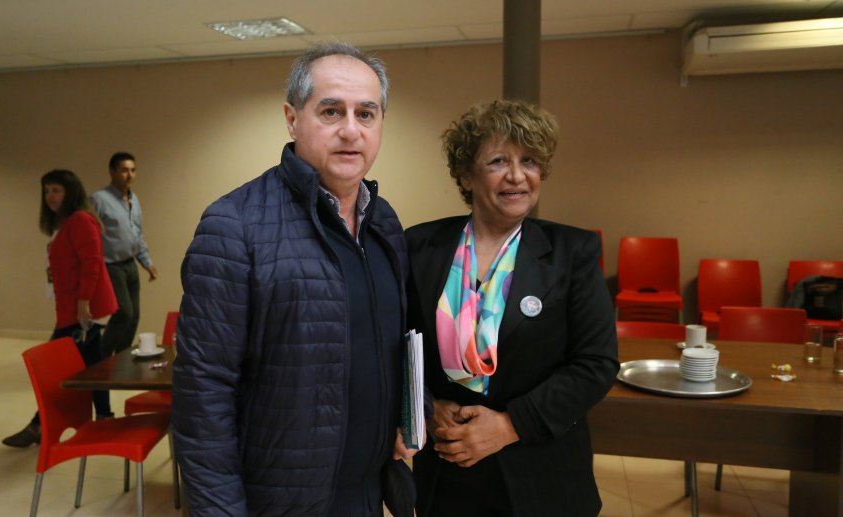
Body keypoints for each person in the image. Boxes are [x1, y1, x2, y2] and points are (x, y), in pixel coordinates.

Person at [172, 42, 418, 516]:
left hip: (367, 494)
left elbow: (393, 344)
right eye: (331, 111)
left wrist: (410, 411)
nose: (351, 130)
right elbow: (203, 392)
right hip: (280, 502)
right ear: (292, 118)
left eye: (366, 114)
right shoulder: (234, 225)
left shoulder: (383, 222)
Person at [406, 99, 619, 516]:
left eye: (530, 161)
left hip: (540, 477)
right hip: (447, 472)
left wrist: (509, 425)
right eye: (499, 161)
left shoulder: (572, 252)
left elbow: (596, 364)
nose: (517, 176)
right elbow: (395, 345)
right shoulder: (418, 247)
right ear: (466, 175)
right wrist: (426, 407)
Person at [2, 169, 118, 447]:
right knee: (93, 366)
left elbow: (92, 264)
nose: (50, 196)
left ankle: (38, 426)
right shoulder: (64, 223)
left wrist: (83, 303)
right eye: (47, 191)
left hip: (85, 311)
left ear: (71, 193)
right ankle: (104, 417)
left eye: (56, 190)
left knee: (53, 370)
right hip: (76, 309)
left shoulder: (80, 220)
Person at [90, 152, 158, 363]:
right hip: (111, 265)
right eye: (124, 170)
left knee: (134, 315)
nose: (129, 175)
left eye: (133, 170)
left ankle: (122, 359)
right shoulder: (99, 199)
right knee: (124, 313)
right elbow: (89, 234)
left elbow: (136, 234)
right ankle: (99, 359)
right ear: (112, 172)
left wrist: (147, 263)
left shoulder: (133, 199)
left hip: (130, 264)